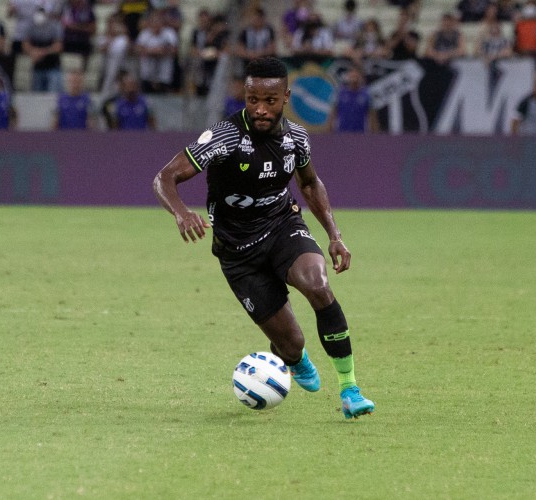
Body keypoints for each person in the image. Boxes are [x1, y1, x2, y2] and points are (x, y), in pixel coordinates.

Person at [153, 56, 375, 419]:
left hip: (282, 227)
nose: (259, 109)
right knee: (290, 344)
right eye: (252, 99)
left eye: (269, 101)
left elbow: (309, 183)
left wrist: (335, 235)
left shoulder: (297, 138)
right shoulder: (224, 137)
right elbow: (164, 177)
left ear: (285, 97)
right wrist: (181, 213)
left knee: (318, 285)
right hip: (238, 253)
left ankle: (350, 389)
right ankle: (295, 359)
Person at [23, 6, 64, 92]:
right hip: (37, 68)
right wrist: (33, 51)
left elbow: (58, 46)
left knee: (53, 94)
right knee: (37, 96)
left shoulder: (55, 25)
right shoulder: (30, 26)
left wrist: (43, 52)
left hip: (53, 67)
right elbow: (25, 45)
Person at [329, 65, 376, 133]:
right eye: (352, 76)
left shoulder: (367, 94)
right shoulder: (339, 93)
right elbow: (332, 114)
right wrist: (329, 131)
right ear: (348, 77)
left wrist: (374, 134)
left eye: (356, 76)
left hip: (360, 134)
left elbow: (372, 116)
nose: (354, 79)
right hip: (341, 133)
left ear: (361, 77)